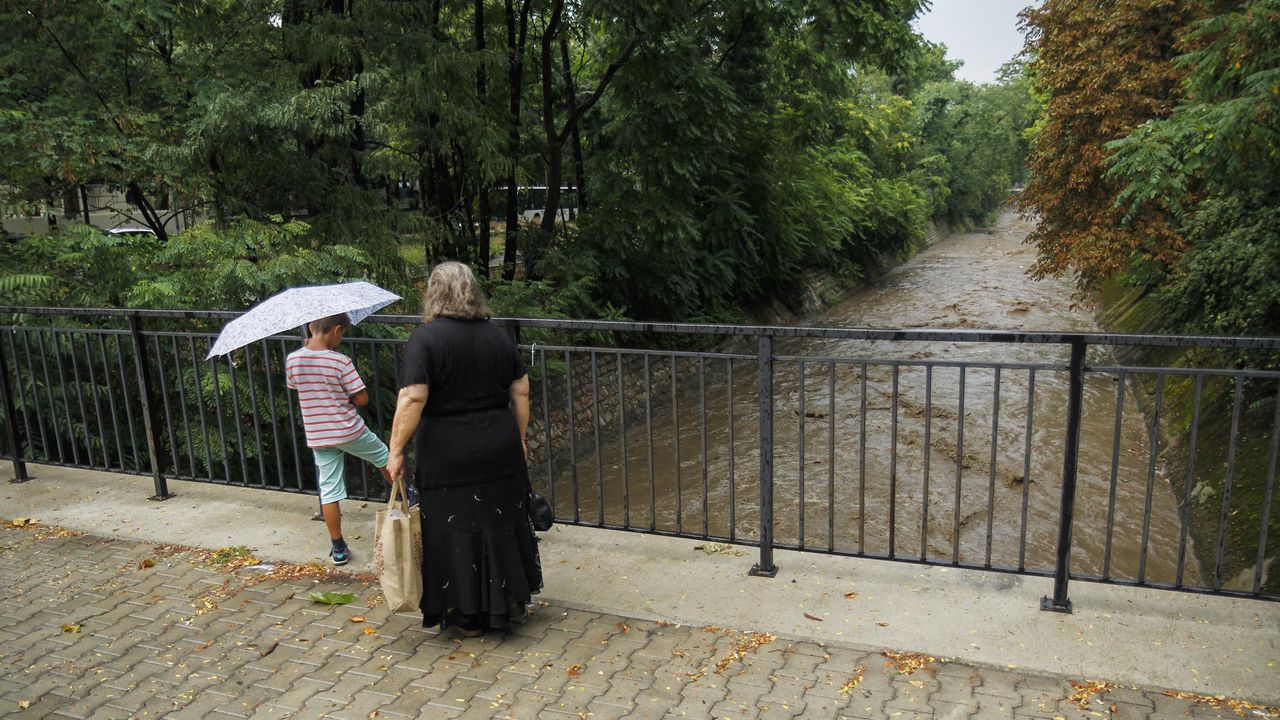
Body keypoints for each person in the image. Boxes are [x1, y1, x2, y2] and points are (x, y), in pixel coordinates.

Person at [386, 261, 542, 636]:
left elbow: (412, 398)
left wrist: (395, 450)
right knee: (501, 525)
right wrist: (519, 437)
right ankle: (509, 606)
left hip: (448, 453)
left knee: (453, 531)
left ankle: (466, 615)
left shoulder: (425, 340)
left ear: (433, 293)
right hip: (499, 448)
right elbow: (521, 390)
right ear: (472, 292)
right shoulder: (497, 336)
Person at [285, 312, 393, 566]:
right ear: (335, 330)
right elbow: (362, 397)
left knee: (330, 490)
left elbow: (295, 385)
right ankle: (406, 496)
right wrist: (348, 397)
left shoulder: (294, 359)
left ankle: (338, 547)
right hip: (348, 430)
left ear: (310, 327)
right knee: (383, 456)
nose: (341, 338)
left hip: (319, 434)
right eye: (342, 333)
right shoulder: (340, 362)